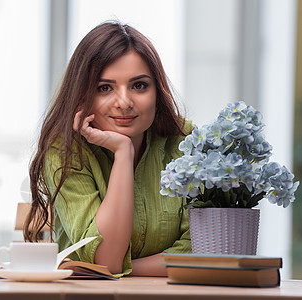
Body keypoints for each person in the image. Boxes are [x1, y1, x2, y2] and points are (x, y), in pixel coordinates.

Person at [24, 21, 192, 277]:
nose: (124, 102)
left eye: (139, 86)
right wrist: (123, 152)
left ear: (157, 92)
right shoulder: (65, 152)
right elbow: (107, 259)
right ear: (82, 96)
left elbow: (202, 250)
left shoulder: (188, 144)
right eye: (104, 88)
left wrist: (128, 269)